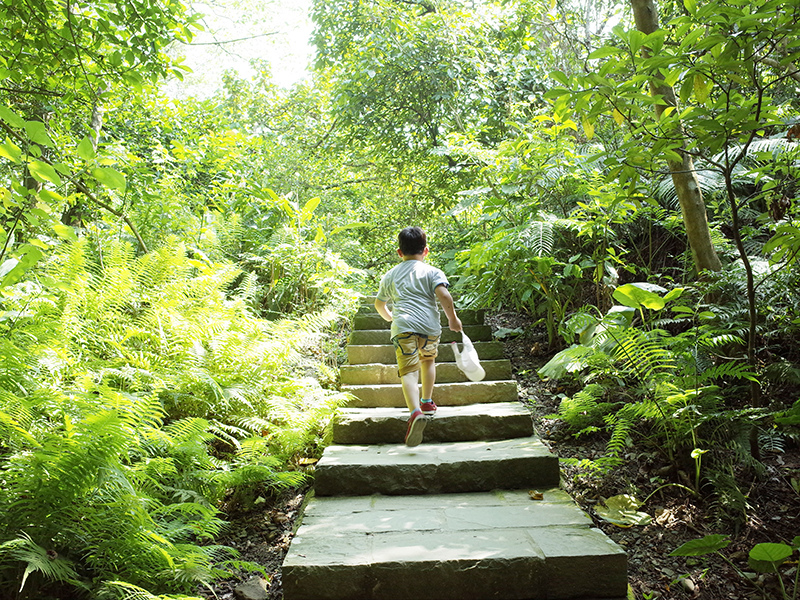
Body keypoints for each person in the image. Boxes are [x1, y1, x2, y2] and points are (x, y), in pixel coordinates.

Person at [374, 227, 463, 447]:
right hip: (429, 327)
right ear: (426, 251)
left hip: (403, 326)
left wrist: (389, 317)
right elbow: (443, 295)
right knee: (428, 360)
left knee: (408, 370)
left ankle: (414, 412)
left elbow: (379, 304)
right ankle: (426, 402)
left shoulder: (391, 274)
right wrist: (453, 319)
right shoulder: (433, 271)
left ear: (398, 252)